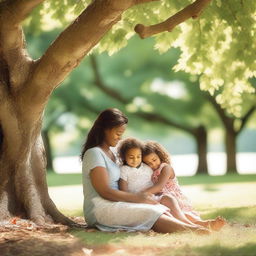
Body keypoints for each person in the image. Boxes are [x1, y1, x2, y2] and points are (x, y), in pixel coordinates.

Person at [81, 108, 209, 233]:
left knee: (159, 206)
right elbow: (105, 192)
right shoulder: (94, 153)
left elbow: (137, 164)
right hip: (101, 207)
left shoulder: (114, 152)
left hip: (119, 201)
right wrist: (138, 198)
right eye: (118, 133)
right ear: (104, 129)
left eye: (122, 134)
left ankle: (192, 225)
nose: (120, 138)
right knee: (150, 211)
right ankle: (194, 230)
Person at [142, 141, 226, 231]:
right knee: (182, 218)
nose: (153, 165)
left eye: (154, 160)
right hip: (166, 200)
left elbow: (159, 186)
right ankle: (206, 225)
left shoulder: (166, 168)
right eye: (149, 163)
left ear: (160, 155)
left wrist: (140, 194)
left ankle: (205, 225)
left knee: (183, 216)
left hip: (175, 199)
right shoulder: (152, 172)